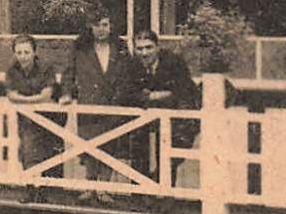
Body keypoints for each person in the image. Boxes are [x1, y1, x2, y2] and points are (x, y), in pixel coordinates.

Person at [60, 14, 131, 202]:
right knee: (89, 145)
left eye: (105, 25)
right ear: (90, 27)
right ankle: (90, 186)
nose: (101, 29)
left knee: (110, 145)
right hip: (89, 102)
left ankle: (104, 189)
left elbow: (128, 74)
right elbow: (69, 73)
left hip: (113, 103)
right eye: (97, 25)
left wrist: (122, 97)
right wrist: (66, 94)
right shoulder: (80, 48)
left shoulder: (120, 47)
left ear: (111, 26)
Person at [127, 29, 199, 182]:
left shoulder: (174, 62)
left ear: (157, 47)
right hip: (147, 116)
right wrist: (151, 96)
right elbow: (126, 93)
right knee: (138, 145)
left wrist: (162, 96)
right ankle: (139, 194)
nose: (144, 53)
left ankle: (164, 196)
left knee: (169, 155)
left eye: (149, 47)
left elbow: (183, 90)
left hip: (179, 116)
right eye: (139, 48)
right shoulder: (132, 64)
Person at [3, 34, 61, 201]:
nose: (23, 56)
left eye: (26, 52)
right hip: (25, 118)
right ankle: (31, 190)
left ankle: (43, 193)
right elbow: (11, 95)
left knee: (45, 153)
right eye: (19, 52)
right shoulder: (12, 69)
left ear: (34, 52)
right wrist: (30, 101)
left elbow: (47, 94)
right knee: (26, 152)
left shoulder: (45, 67)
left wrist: (25, 100)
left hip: (47, 116)